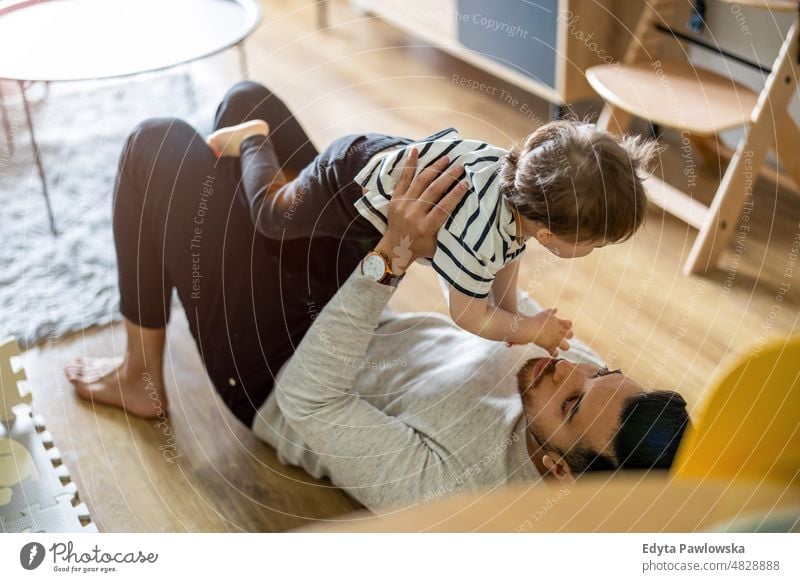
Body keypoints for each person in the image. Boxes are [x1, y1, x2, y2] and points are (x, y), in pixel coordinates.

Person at [65, 81, 690, 511]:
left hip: (278, 375)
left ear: (557, 471)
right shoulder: (579, 389)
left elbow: (314, 401)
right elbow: (504, 291)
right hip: (355, 307)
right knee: (250, 101)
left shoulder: (457, 493)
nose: (567, 368)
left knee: (156, 143)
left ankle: (140, 375)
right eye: (599, 370)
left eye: (572, 403)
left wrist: (393, 255)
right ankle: (250, 194)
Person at [208, 118, 659, 355]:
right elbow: (466, 314)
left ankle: (277, 155)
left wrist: (511, 314)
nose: (595, 250)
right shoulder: (476, 235)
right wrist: (528, 329)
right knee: (272, 216)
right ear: (548, 233)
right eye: (595, 243)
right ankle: (253, 139)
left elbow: (508, 254)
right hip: (343, 183)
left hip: (376, 154)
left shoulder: (519, 182)